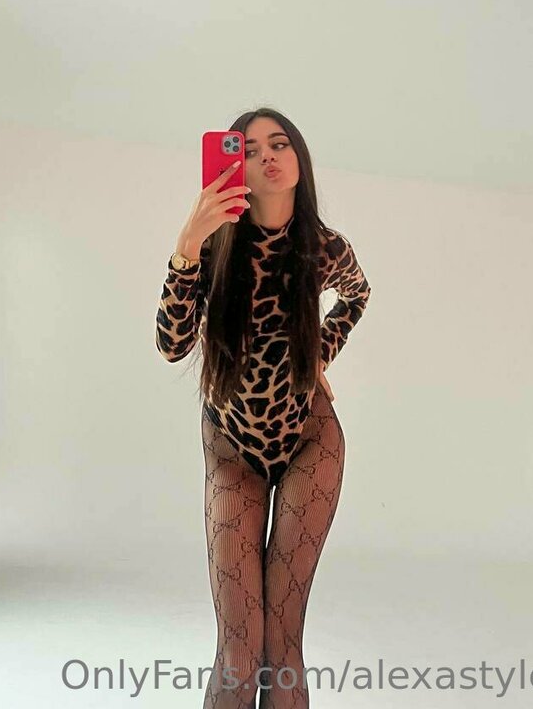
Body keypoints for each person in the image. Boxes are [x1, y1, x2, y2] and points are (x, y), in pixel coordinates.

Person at [155, 108, 372, 708]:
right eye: (248, 150)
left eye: (279, 144)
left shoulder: (324, 248)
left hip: (309, 441)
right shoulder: (214, 249)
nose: (266, 156)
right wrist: (186, 245)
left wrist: (318, 353)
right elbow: (172, 345)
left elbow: (357, 295)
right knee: (239, 652)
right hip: (232, 448)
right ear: (235, 168)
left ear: (299, 159)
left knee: (282, 644)